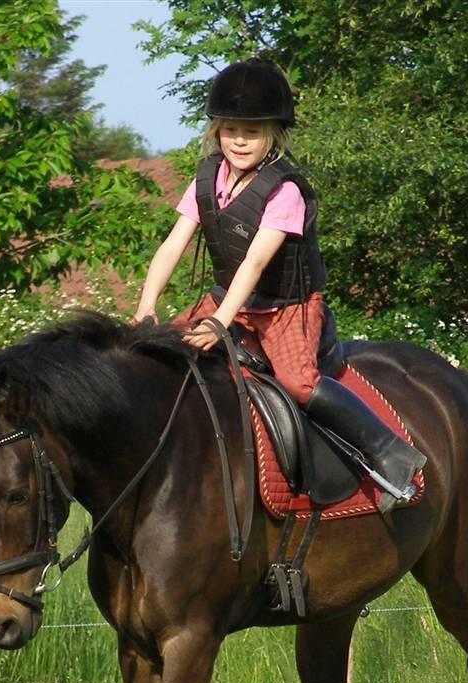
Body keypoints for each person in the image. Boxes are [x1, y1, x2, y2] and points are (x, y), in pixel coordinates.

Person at [133, 58, 425, 507]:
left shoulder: (284, 191)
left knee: (297, 383)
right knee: (157, 359)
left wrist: (216, 324)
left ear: (274, 133)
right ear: (217, 131)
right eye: (230, 130)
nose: (240, 141)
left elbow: (253, 264)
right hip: (227, 300)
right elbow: (172, 246)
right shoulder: (206, 179)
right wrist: (147, 306)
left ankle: (391, 456)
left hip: (285, 308)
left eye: (251, 131)